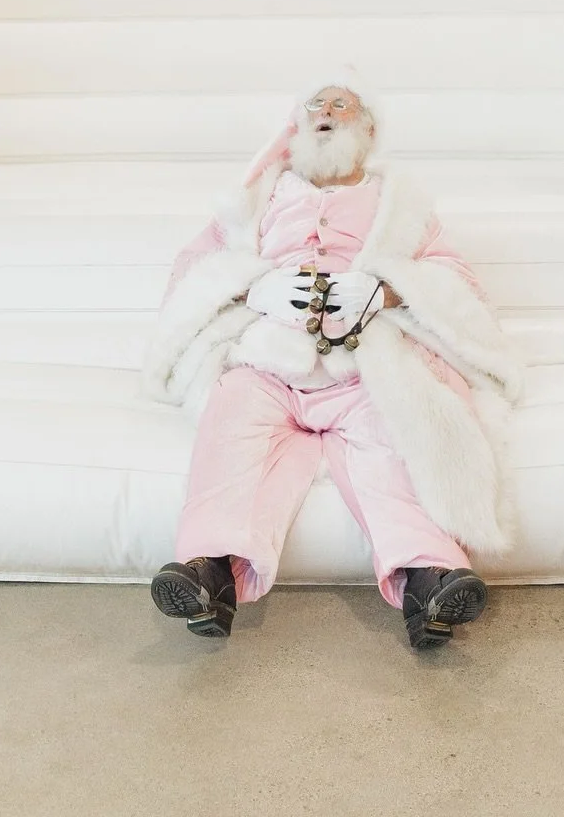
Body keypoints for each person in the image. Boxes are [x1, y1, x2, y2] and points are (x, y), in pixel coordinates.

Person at [144, 79, 522, 650]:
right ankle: (209, 574)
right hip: (267, 364)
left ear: (367, 131)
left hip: (362, 368)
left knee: (398, 437)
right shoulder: (255, 199)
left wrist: (386, 291)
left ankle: (431, 582)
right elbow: (194, 271)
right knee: (230, 423)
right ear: (293, 130)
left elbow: (457, 282)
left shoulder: (401, 206)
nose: (325, 111)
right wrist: (255, 288)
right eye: (313, 106)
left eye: (339, 104)